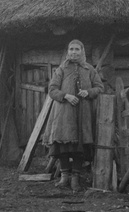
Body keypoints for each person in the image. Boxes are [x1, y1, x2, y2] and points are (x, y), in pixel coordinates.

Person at [43, 39, 103, 193]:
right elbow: (52, 90)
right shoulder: (61, 69)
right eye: (71, 49)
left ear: (82, 51)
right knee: (63, 146)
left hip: (83, 113)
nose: (74, 52)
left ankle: (75, 179)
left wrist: (88, 92)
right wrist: (66, 96)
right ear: (68, 51)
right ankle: (64, 177)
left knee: (79, 147)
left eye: (77, 49)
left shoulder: (89, 69)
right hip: (64, 113)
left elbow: (99, 87)